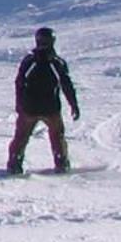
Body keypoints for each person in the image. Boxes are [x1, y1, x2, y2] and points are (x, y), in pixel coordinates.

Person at [8, 26, 80, 174]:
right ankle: (61, 163)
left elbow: (19, 83)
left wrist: (19, 104)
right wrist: (73, 104)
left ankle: (14, 163)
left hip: (29, 108)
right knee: (57, 135)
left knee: (21, 136)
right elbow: (66, 84)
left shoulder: (29, 61)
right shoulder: (56, 62)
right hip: (50, 109)